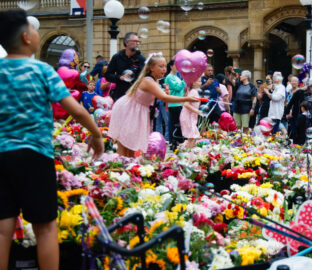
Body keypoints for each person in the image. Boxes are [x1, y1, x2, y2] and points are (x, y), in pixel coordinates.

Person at [0, 10, 104, 270]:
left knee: (2, 230)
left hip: (2, 156)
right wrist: (96, 133)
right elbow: (77, 110)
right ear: (26, 38)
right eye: (33, 29)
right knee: (46, 228)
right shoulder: (41, 70)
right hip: (35, 156)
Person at [108, 53, 197, 157]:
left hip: (137, 110)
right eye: (161, 66)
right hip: (129, 110)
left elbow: (159, 96)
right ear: (151, 68)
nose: (164, 69)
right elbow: (164, 98)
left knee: (132, 145)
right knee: (125, 144)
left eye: (165, 66)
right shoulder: (148, 81)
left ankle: (128, 167)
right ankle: (120, 166)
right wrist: (187, 98)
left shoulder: (155, 81)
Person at [105, 32, 146, 101]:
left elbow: (145, 76)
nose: (138, 43)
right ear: (127, 43)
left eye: (139, 41)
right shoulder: (117, 57)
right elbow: (108, 75)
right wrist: (119, 77)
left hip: (135, 95)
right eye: (135, 41)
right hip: (120, 95)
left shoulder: (141, 59)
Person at [165, 60, 186, 147]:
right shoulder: (169, 77)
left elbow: (182, 88)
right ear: (171, 66)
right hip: (173, 104)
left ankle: (178, 141)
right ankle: (174, 142)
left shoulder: (176, 77)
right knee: (176, 123)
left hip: (179, 103)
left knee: (179, 123)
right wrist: (185, 79)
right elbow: (177, 88)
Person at [180, 77, 203, 149]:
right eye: (199, 81)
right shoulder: (193, 91)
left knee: (192, 137)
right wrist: (197, 111)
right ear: (193, 83)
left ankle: (187, 152)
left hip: (189, 116)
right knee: (192, 136)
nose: (201, 83)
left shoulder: (192, 91)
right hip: (188, 116)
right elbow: (186, 104)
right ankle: (188, 153)